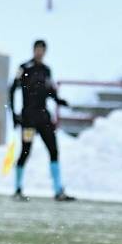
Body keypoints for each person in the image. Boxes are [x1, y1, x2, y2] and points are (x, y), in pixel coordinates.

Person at [9, 39, 74, 201]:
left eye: (42, 50)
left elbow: (50, 91)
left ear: (45, 52)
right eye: (37, 49)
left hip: (43, 118)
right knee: (25, 151)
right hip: (29, 119)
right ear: (33, 50)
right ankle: (17, 189)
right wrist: (14, 115)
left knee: (53, 150)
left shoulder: (46, 70)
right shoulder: (24, 68)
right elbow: (11, 90)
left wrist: (60, 101)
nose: (39, 52)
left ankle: (58, 190)